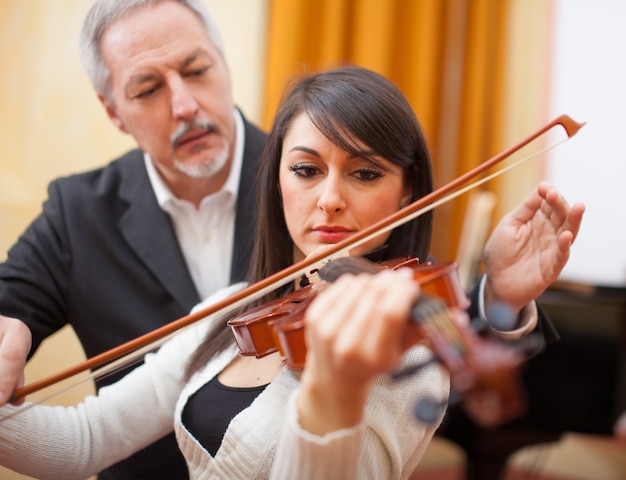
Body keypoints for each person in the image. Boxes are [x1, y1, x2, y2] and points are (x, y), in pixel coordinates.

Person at [0, 66, 584, 479]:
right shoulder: (236, 307)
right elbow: (84, 442)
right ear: (277, 178)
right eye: (307, 169)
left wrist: (337, 387)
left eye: (364, 174)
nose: (329, 198)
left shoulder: (405, 352)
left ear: (409, 191)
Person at [0, 1, 266, 478]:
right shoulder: (76, 212)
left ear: (223, 65)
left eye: (197, 70)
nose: (184, 106)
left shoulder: (310, 180)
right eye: (147, 89)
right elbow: (10, 297)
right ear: (114, 111)